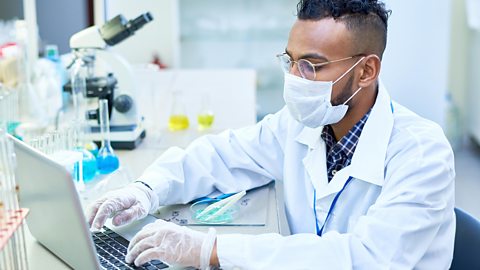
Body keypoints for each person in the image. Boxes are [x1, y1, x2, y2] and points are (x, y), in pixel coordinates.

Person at [88, 0, 456, 269]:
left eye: (312, 65)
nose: (295, 78)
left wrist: (211, 250)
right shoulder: (301, 124)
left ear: (366, 71)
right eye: (290, 60)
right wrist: (146, 189)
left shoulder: (422, 153)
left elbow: (367, 259)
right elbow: (221, 156)